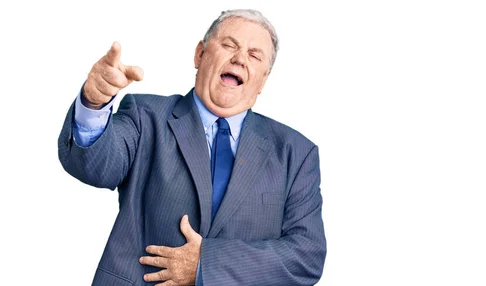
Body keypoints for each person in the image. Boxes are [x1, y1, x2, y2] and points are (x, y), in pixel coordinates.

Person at [57, 9, 326, 286]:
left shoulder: (296, 153)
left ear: (263, 81)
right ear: (200, 54)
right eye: (229, 45)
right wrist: (93, 103)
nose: (239, 59)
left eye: (254, 55)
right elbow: (96, 167)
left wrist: (206, 263)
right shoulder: (146, 116)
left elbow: (306, 256)